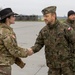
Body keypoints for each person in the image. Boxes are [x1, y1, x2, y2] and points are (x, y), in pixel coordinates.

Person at [28, 6, 75, 75]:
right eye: (44, 16)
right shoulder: (44, 31)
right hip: (53, 67)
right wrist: (31, 50)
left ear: (53, 16)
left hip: (67, 67)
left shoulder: (65, 28)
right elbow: (38, 44)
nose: (44, 18)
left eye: (47, 16)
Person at [0, 8, 28, 75]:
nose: (14, 18)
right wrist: (27, 52)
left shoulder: (3, 30)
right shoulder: (5, 32)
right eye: (13, 16)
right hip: (3, 65)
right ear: (7, 19)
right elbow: (13, 50)